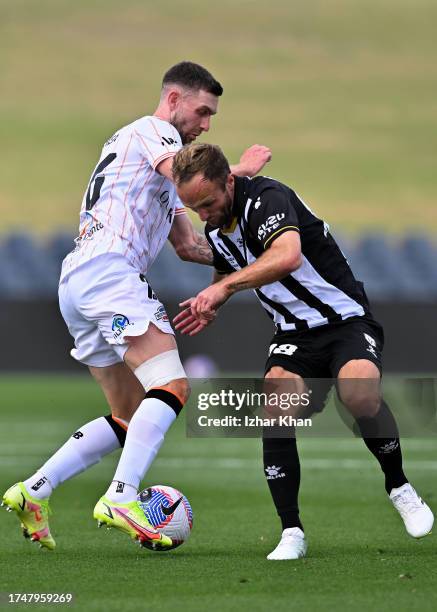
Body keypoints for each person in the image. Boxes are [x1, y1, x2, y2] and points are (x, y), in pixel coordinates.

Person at [1, 62, 271, 551]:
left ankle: (33, 490)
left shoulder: (160, 173)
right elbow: (194, 180)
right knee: (172, 386)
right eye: (202, 111)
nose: (207, 124)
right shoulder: (152, 133)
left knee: (128, 416)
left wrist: (257, 256)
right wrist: (241, 172)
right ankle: (121, 497)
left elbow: (190, 247)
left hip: (80, 281)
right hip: (110, 273)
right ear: (173, 100)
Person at [171, 142, 434, 560]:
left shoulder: (267, 198)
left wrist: (222, 286)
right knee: (276, 401)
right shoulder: (217, 228)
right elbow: (228, 266)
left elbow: (287, 256)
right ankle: (291, 530)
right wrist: (215, 299)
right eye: (195, 208)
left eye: (208, 202)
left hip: (346, 320)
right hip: (293, 334)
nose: (204, 214)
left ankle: (399, 486)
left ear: (229, 181)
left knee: (359, 391)